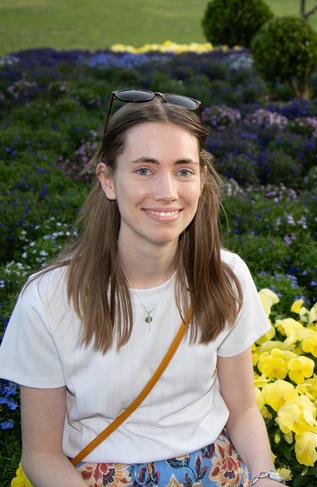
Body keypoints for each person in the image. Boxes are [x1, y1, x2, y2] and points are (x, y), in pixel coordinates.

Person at [0, 90, 286, 486]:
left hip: (215, 472)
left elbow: (242, 410)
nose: (167, 191)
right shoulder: (49, 299)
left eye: (183, 170)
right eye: (144, 170)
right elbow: (42, 454)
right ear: (108, 180)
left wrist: (266, 475)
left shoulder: (226, 276)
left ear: (201, 180)